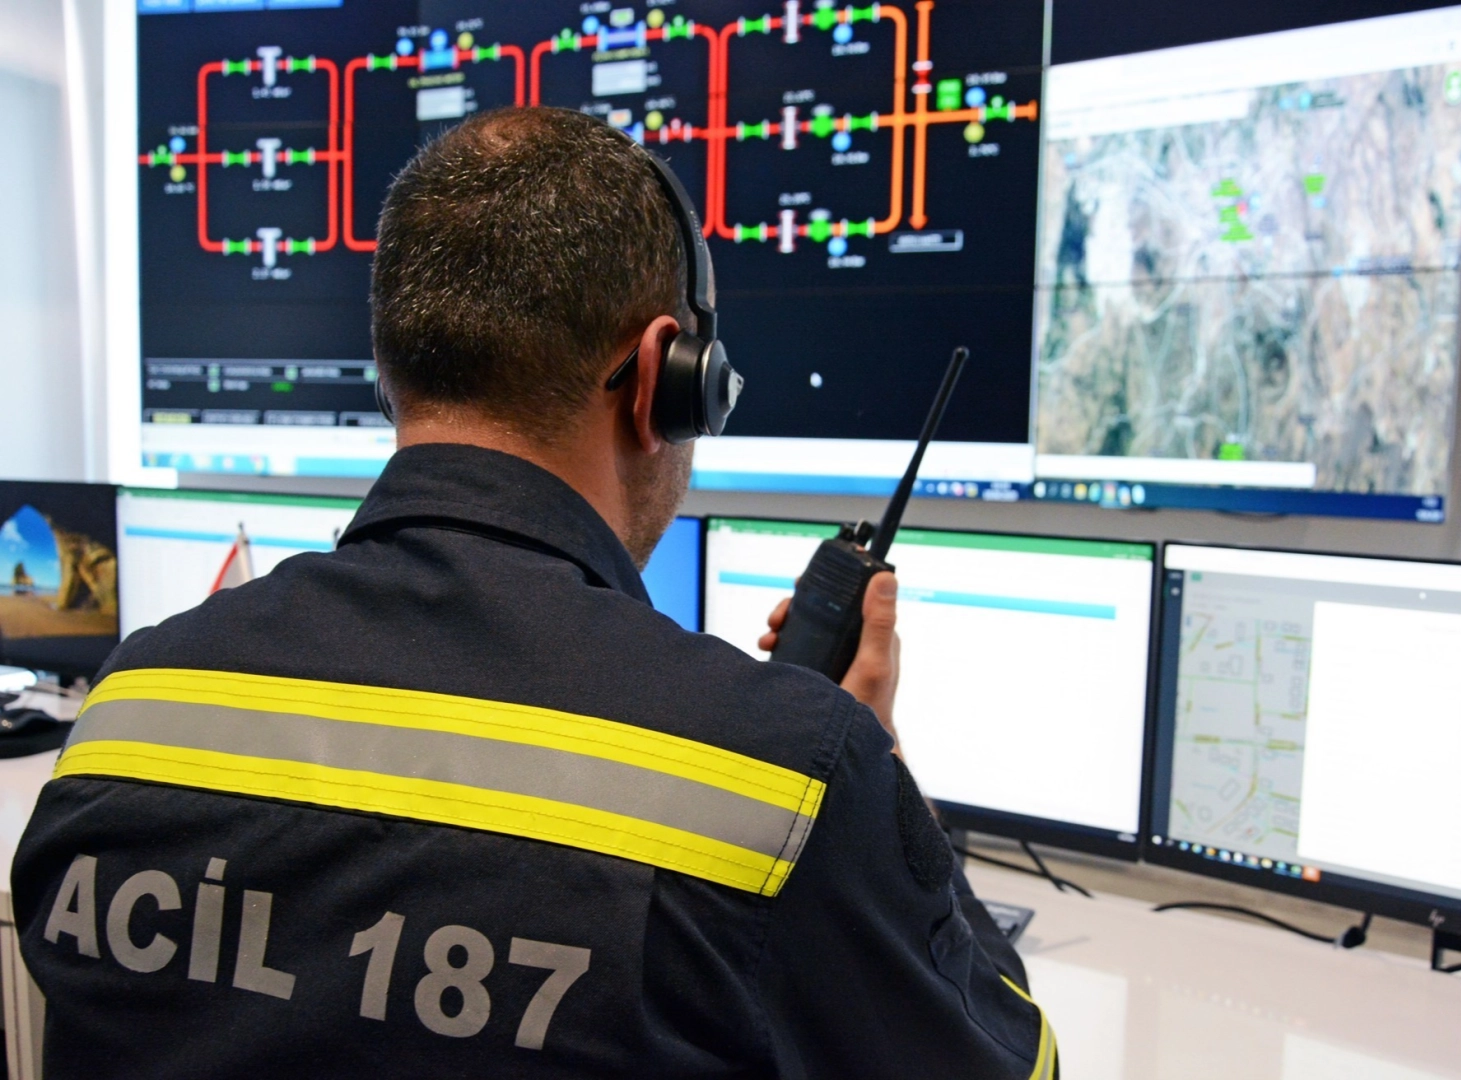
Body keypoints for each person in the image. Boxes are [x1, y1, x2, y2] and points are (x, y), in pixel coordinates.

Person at [12, 107, 1055, 1078]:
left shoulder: (127, 713)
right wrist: (875, 756)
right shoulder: (784, 782)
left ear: (392, 373)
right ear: (665, 376)